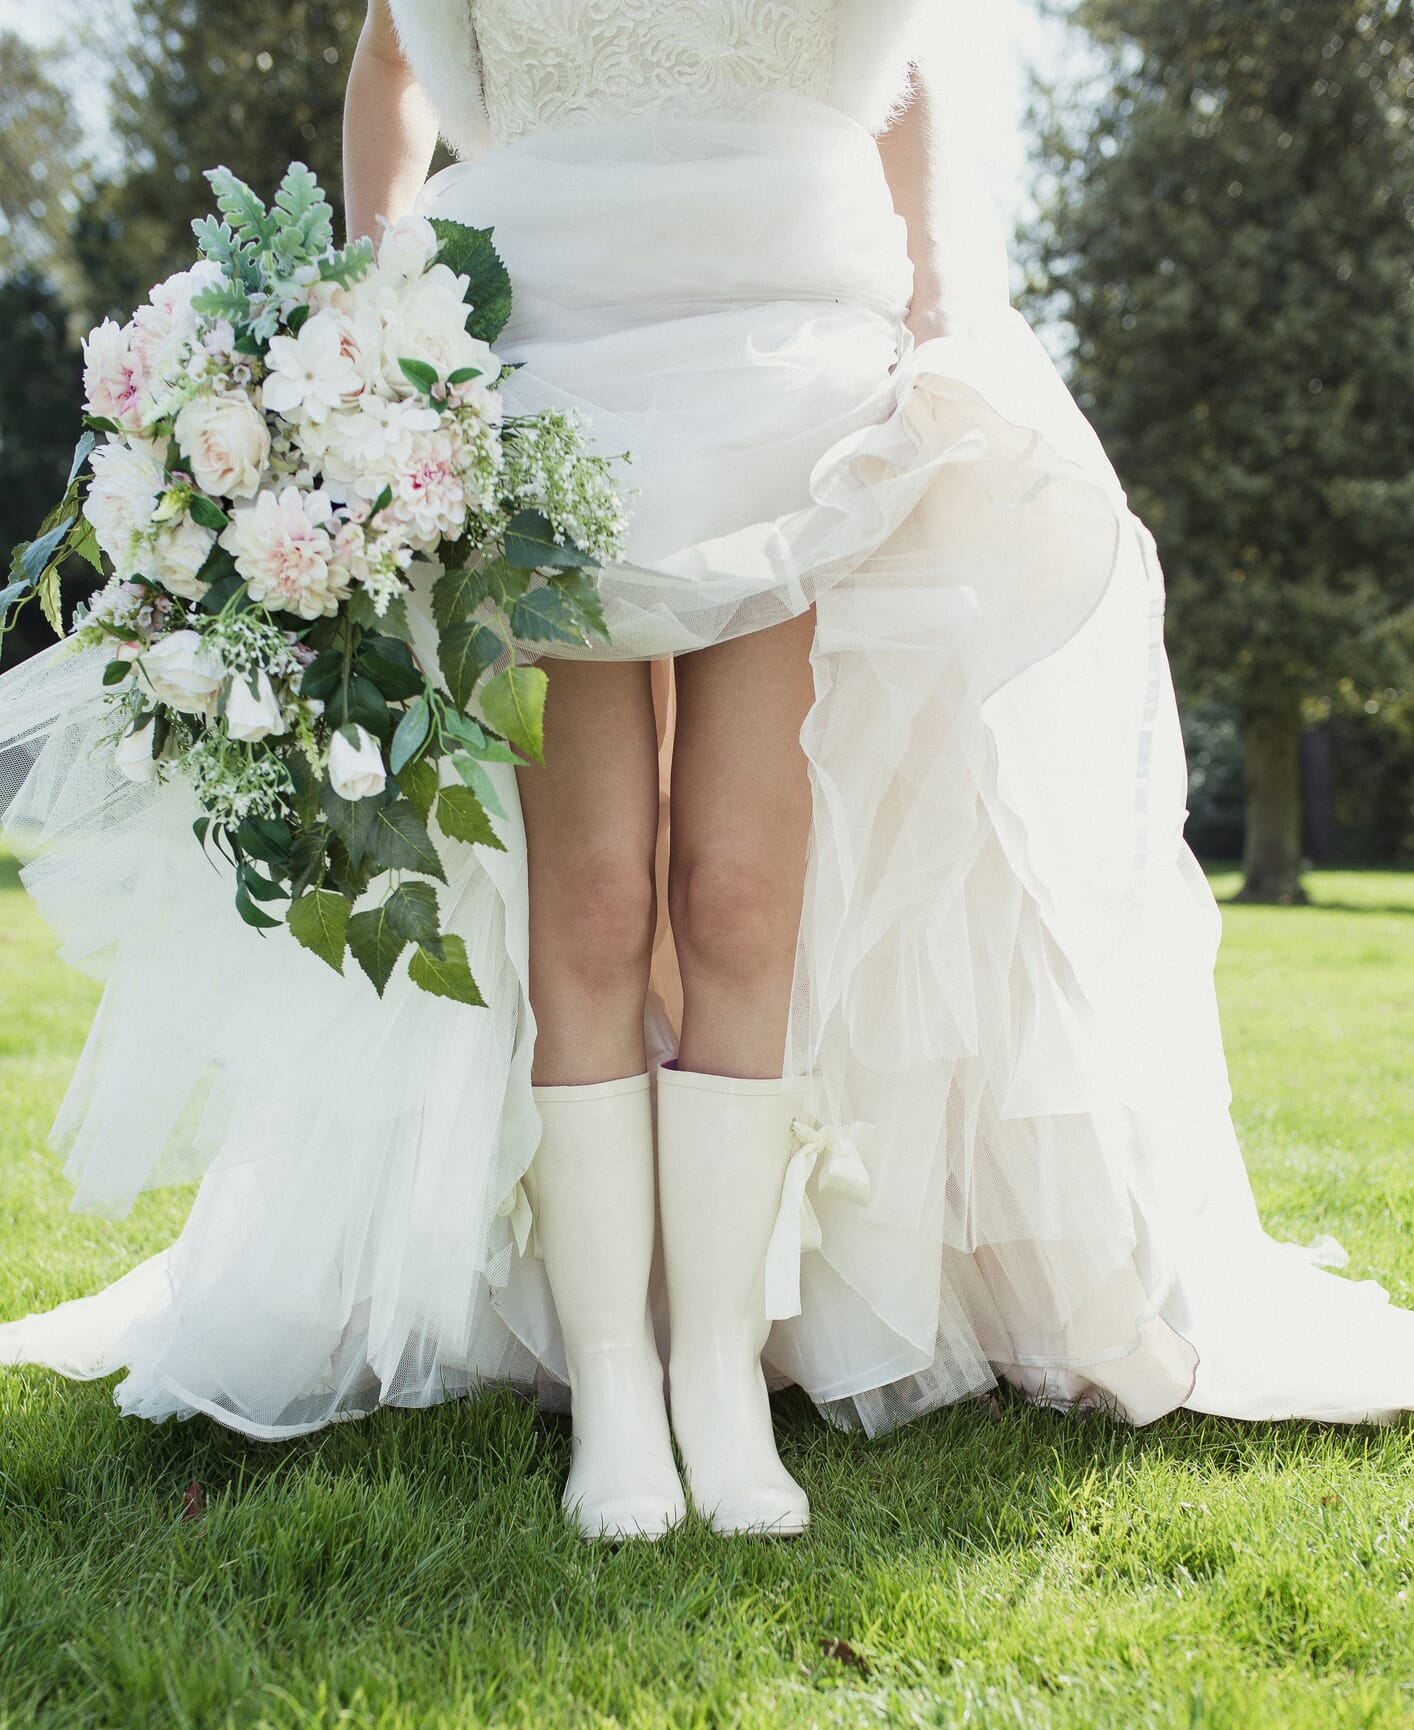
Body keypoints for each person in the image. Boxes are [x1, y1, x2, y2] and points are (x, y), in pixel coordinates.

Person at [2, 0, 1411, 1539]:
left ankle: (719, 1379)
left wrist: (939, 292)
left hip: (792, 360)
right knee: (592, 893)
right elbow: (392, 58)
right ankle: (615, 1383)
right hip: (538, 368)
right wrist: (369, 298)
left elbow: (908, 63)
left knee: (742, 890)